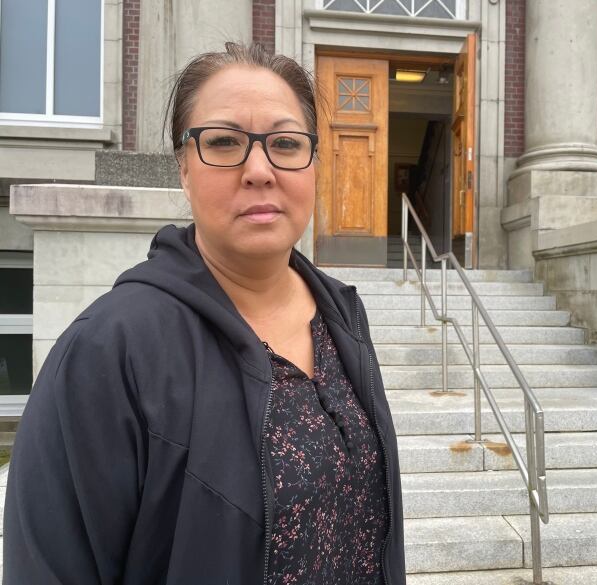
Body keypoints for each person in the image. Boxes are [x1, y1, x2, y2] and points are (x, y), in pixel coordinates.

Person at [3, 42, 405, 585]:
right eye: (223, 142)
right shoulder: (111, 348)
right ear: (183, 169)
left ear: (313, 162)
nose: (259, 169)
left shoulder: (342, 316)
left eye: (286, 143)